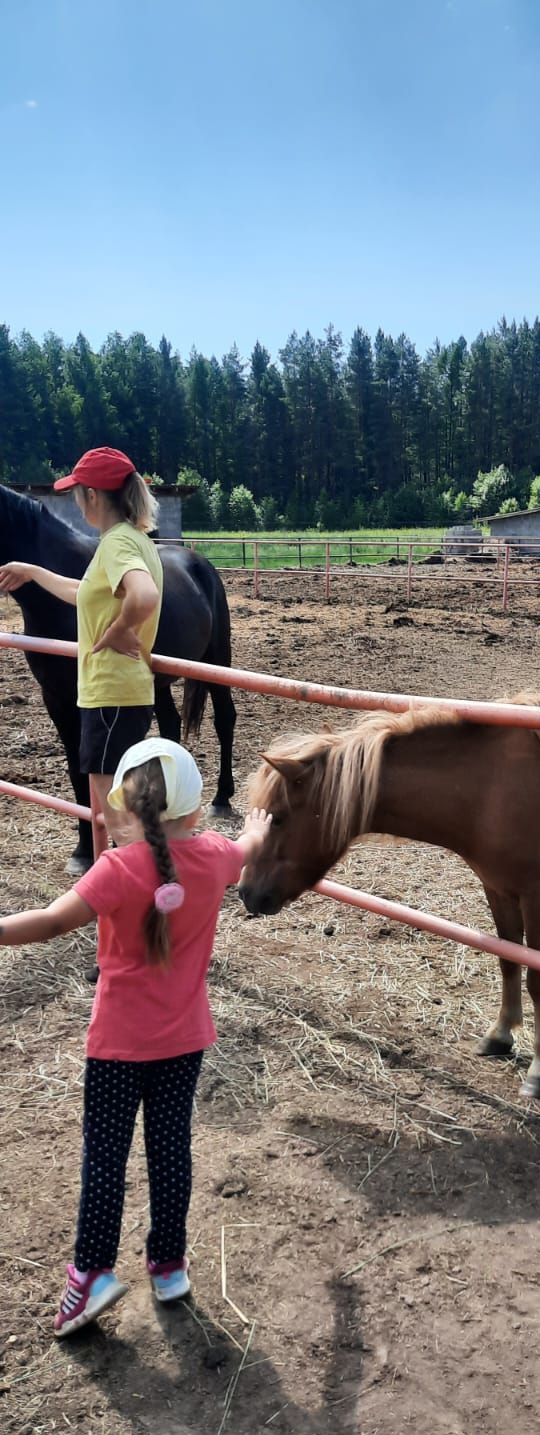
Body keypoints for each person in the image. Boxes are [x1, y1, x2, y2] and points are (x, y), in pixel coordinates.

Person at [0, 738, 272, 1337]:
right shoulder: (216, 859)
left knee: (106, 1157)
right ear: (196, 811)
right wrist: (255, 828)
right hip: (184, 1042)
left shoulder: (115, 870)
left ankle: (92, 1273)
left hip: (118, 1045)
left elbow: (49, 922)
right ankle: (169, 1266)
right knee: (170, 1150)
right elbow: (246, 849)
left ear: (121, 809)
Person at [0, 447, 163, 834]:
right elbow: (86, 592)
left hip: (111, 695)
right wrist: (34, 572)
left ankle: (130, 888)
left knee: (113, 816)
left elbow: (144, 596)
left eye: (76, 493)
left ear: (91, 495)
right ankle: (137, 883)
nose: (76, 501)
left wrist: (120, 631)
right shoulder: (133, 538)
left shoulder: (117, 543)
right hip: (121, 694)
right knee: (118, 809)